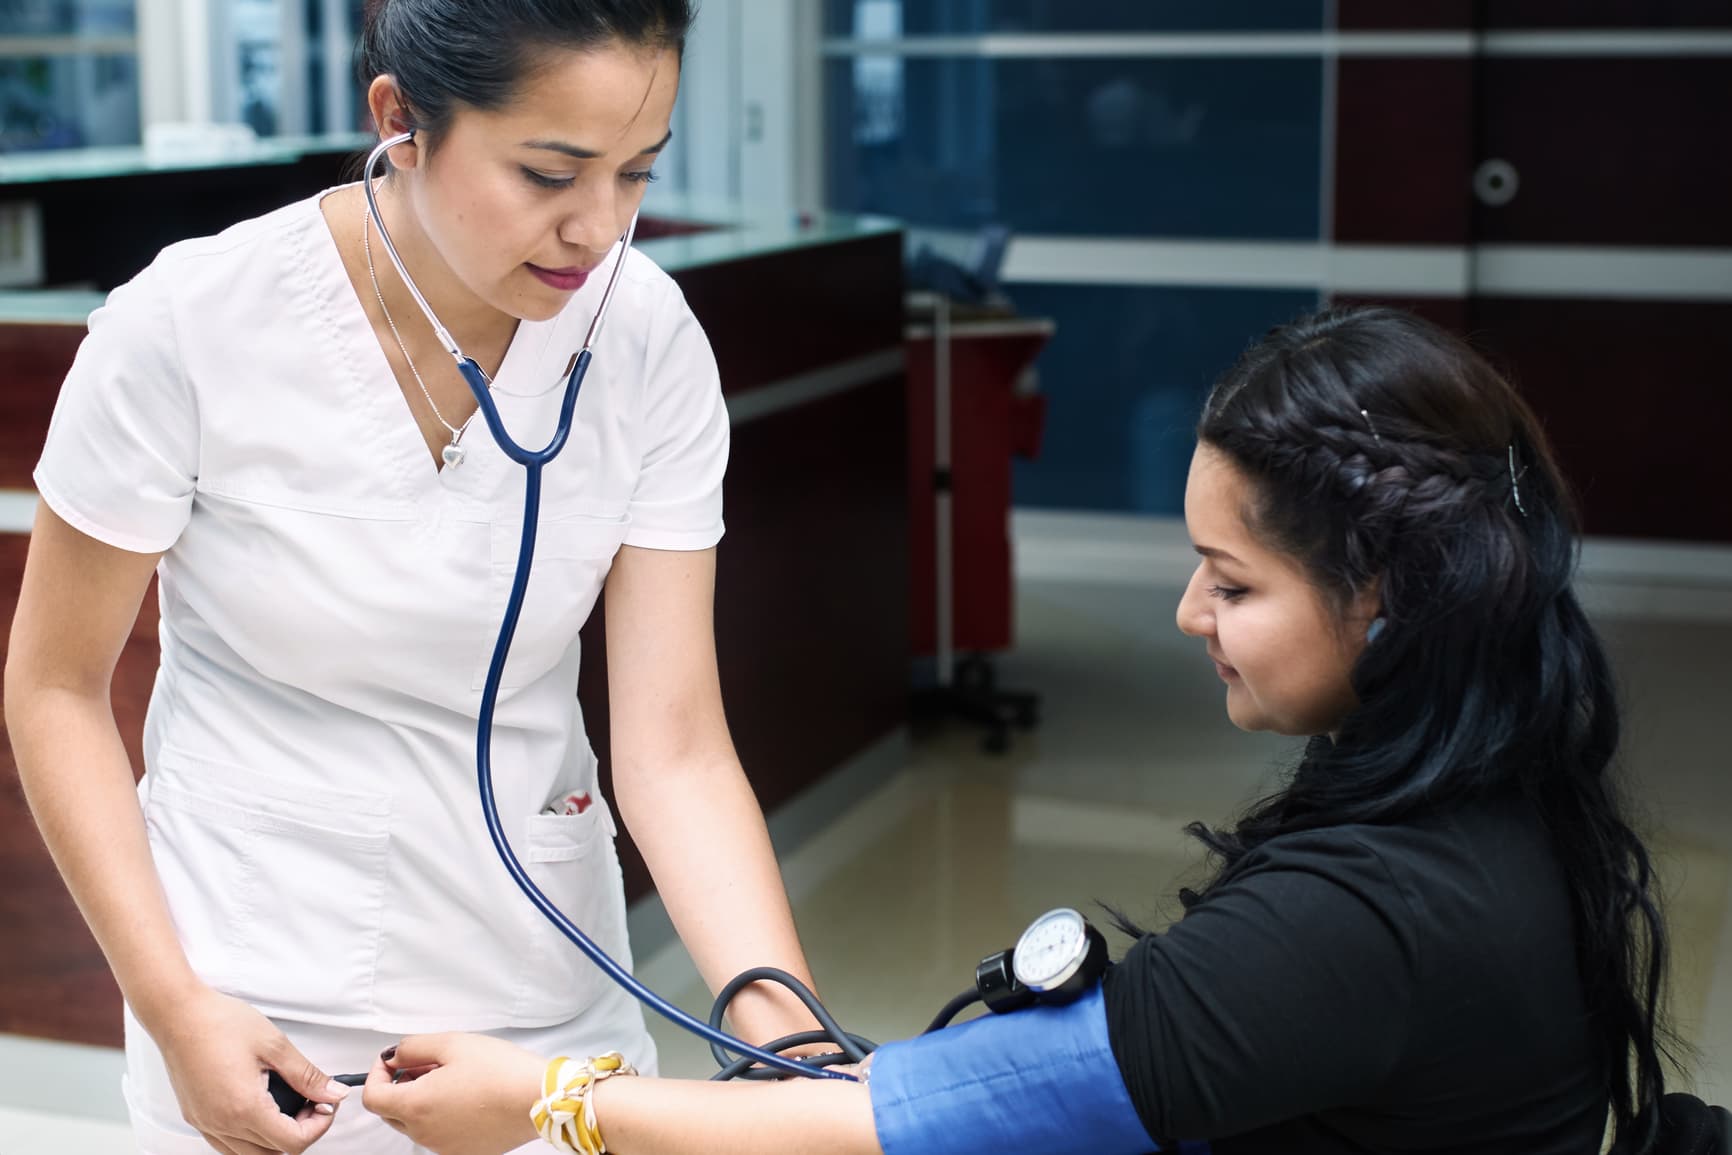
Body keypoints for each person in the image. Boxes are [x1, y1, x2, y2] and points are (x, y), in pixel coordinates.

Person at [357, 306, 1685, 1155]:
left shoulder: (1370, 917)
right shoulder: (1497, 786)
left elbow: (928, 1122)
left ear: (1386, 598)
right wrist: (799, 1041)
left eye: (1233, 582)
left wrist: (549, 1098)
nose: (1184, 611)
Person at [4, 2, 826, 1153]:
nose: (597, 227)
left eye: (637, 171)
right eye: (550, 171)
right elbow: (54, 691)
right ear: (399, 120)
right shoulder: (184, 328)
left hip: (546, 1007)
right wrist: (173, 1005)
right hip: (248, 1003)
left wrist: (781, 1033)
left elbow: (675, 744)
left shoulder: (644, 339)